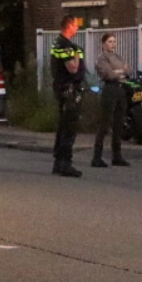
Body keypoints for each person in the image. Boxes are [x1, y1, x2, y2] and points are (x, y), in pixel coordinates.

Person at [49, 15, 86, 178]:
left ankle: (58, 163)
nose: (77, 28)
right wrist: (78, 53)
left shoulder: (57, 43)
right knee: (70, 127)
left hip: (62, 88)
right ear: (69, 26)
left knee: (63, 125)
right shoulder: (66, 46)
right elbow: (73, 68)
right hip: (69, 90)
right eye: (76, 25)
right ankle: (66, 163)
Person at [92, 33, 131, 168]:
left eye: (114, 41)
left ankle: (117, 155)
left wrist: (119, 71)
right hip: (110, 90)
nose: (112, 44)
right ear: (103, 44)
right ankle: (97, 156)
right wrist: (121, 71)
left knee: (119, 122)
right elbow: (108, 74)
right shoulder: (101, 59)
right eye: (109, 41)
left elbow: (129, 71)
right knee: (105, 123)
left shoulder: (117, 57)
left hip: (121, 89)